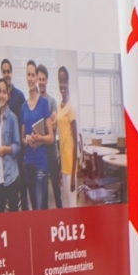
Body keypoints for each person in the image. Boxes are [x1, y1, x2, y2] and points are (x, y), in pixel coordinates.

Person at [20, 60, 54, 210]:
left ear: (36, 77)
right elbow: (22, 139)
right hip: (28, 164)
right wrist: (27, 139)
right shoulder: (23, 107)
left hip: (40, 164)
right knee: (34, 209)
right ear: (26, 77)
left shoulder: (43, 103)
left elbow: (51, 137)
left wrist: (39, 138)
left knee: (40, 208)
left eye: (33, 75)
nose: (31, 78)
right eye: (28, 74)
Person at [1, 58, 29, 210]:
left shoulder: (19, 96)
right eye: (4, 72)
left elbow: (24, 121)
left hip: (19, 149)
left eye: (8, 71)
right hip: (7, 150)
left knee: (22, 183)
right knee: (10, 186)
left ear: (11, 73)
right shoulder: (2, 98)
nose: (6, 74)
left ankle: (24, 211)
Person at [0, 77, 21, 212]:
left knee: (13, 217)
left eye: (4, 92)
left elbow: (17, 146)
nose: (1, 95)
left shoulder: (13, 118)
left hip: (11, 177)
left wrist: (5, 150)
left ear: (8, 95)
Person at [37, 64, 62, 209]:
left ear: (46, 80)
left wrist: (43, 127)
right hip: (40, 154)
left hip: (52, 154)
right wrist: (48, 124)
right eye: (39, 79)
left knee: (57, 191)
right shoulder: (35, 102)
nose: (41, 82)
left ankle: (61, 219)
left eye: (43, 79)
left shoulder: (51, 101)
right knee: (43, 194)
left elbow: (54, 126)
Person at [56, 66, 78, 207]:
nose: (62, 85)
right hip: (63, 165)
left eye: (64, 81)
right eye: (60, 81)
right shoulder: (59, 106)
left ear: (68, 82)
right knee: (66, 206)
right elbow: (61, 138)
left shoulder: (71, 107)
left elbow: (75, 141)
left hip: (71, 166)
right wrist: (60, 167)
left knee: (72, 206)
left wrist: (73, 175)